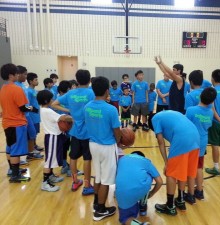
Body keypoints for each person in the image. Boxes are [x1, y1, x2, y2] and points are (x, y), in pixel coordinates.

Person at [52, 69, 95, 195]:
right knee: (87, 158)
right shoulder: (91, 93)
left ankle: (75, 181)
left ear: (77, 80)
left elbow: (54, 104)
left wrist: (68, 111)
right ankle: (87, 185)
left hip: (75, 131)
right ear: (89, 79)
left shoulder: (71, 94)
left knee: (73, 156)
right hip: (88, 131)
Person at [84, 76, 121, 221]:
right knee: (106, 179)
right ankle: (100, 210)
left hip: (93, 145)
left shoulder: (87, 107)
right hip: (107, 146)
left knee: (98, 176)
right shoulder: (111, 109)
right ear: (107, 91)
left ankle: (95, 202)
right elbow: (117, 132)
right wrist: (119, 142)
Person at [150, 110, 200, 216]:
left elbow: (160, 142)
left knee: (171, 172)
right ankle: (180, 200)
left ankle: (170, 206)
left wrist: (166, 162)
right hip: (195, 137)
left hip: (182, 138)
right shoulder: (169, 114)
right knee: (183, 170)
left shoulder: (154, 119)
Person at [0, 63, 31, 182]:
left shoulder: (3, 88)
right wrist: (32, 108)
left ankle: (13, 171)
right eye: (16, 73)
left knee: (10, 147)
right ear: (11, 75)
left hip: (7, 123)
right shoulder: (16, 89)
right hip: (17, 123)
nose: (18, 76)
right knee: (16, 150)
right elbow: (23, 107)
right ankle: (15, 176)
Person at [186, 87, 216, 202]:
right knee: (199, 167)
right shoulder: (210, 112)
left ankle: (190, 195)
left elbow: (186, 126)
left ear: (200, 96)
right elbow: (208, 126)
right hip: (203, 142)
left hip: (191, 142)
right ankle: (200, 192)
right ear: (212, 101)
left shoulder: (190, 110)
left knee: (190, 168)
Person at [116, 151, 163, 225]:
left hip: (123, 192)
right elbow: (160, 182)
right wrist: (152, 193)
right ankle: (143, 205)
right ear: (142, 156)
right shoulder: (146, 161)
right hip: (142, 188)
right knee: (147, 175)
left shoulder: (121, 159)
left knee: (125, 218)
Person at [37, 90, 72, 192]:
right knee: (49, 160)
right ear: (46, 100)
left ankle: (50, 176)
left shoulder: (43, 109)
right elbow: (64, 118)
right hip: (52, 137)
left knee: (51, 158)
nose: (52, 100)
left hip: (53, 136)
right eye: (51, 99)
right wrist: (75, 118)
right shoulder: (48, 111)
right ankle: (45, 183)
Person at [16, 66, 43, 161]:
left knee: (32, 133)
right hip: (24, 114)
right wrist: (31, 109)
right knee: (22, 138)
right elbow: (21, 104)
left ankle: (30, 152)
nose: (26, 76)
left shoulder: (22, 85)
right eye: (25, 74)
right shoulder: (16, 87)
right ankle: (19, 160)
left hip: (28, 114)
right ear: (17, 74)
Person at [27, 72, 43, 153]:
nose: (37, 81)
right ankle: (32, 147)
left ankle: (34, 145)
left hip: (36, 115)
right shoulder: (28, 91)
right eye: (35, 80)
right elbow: (27, 105)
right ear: (30, 81)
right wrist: (35, 110)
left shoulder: (34, 90)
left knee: (36, 132)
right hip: (32, 115)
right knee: (32, 132)